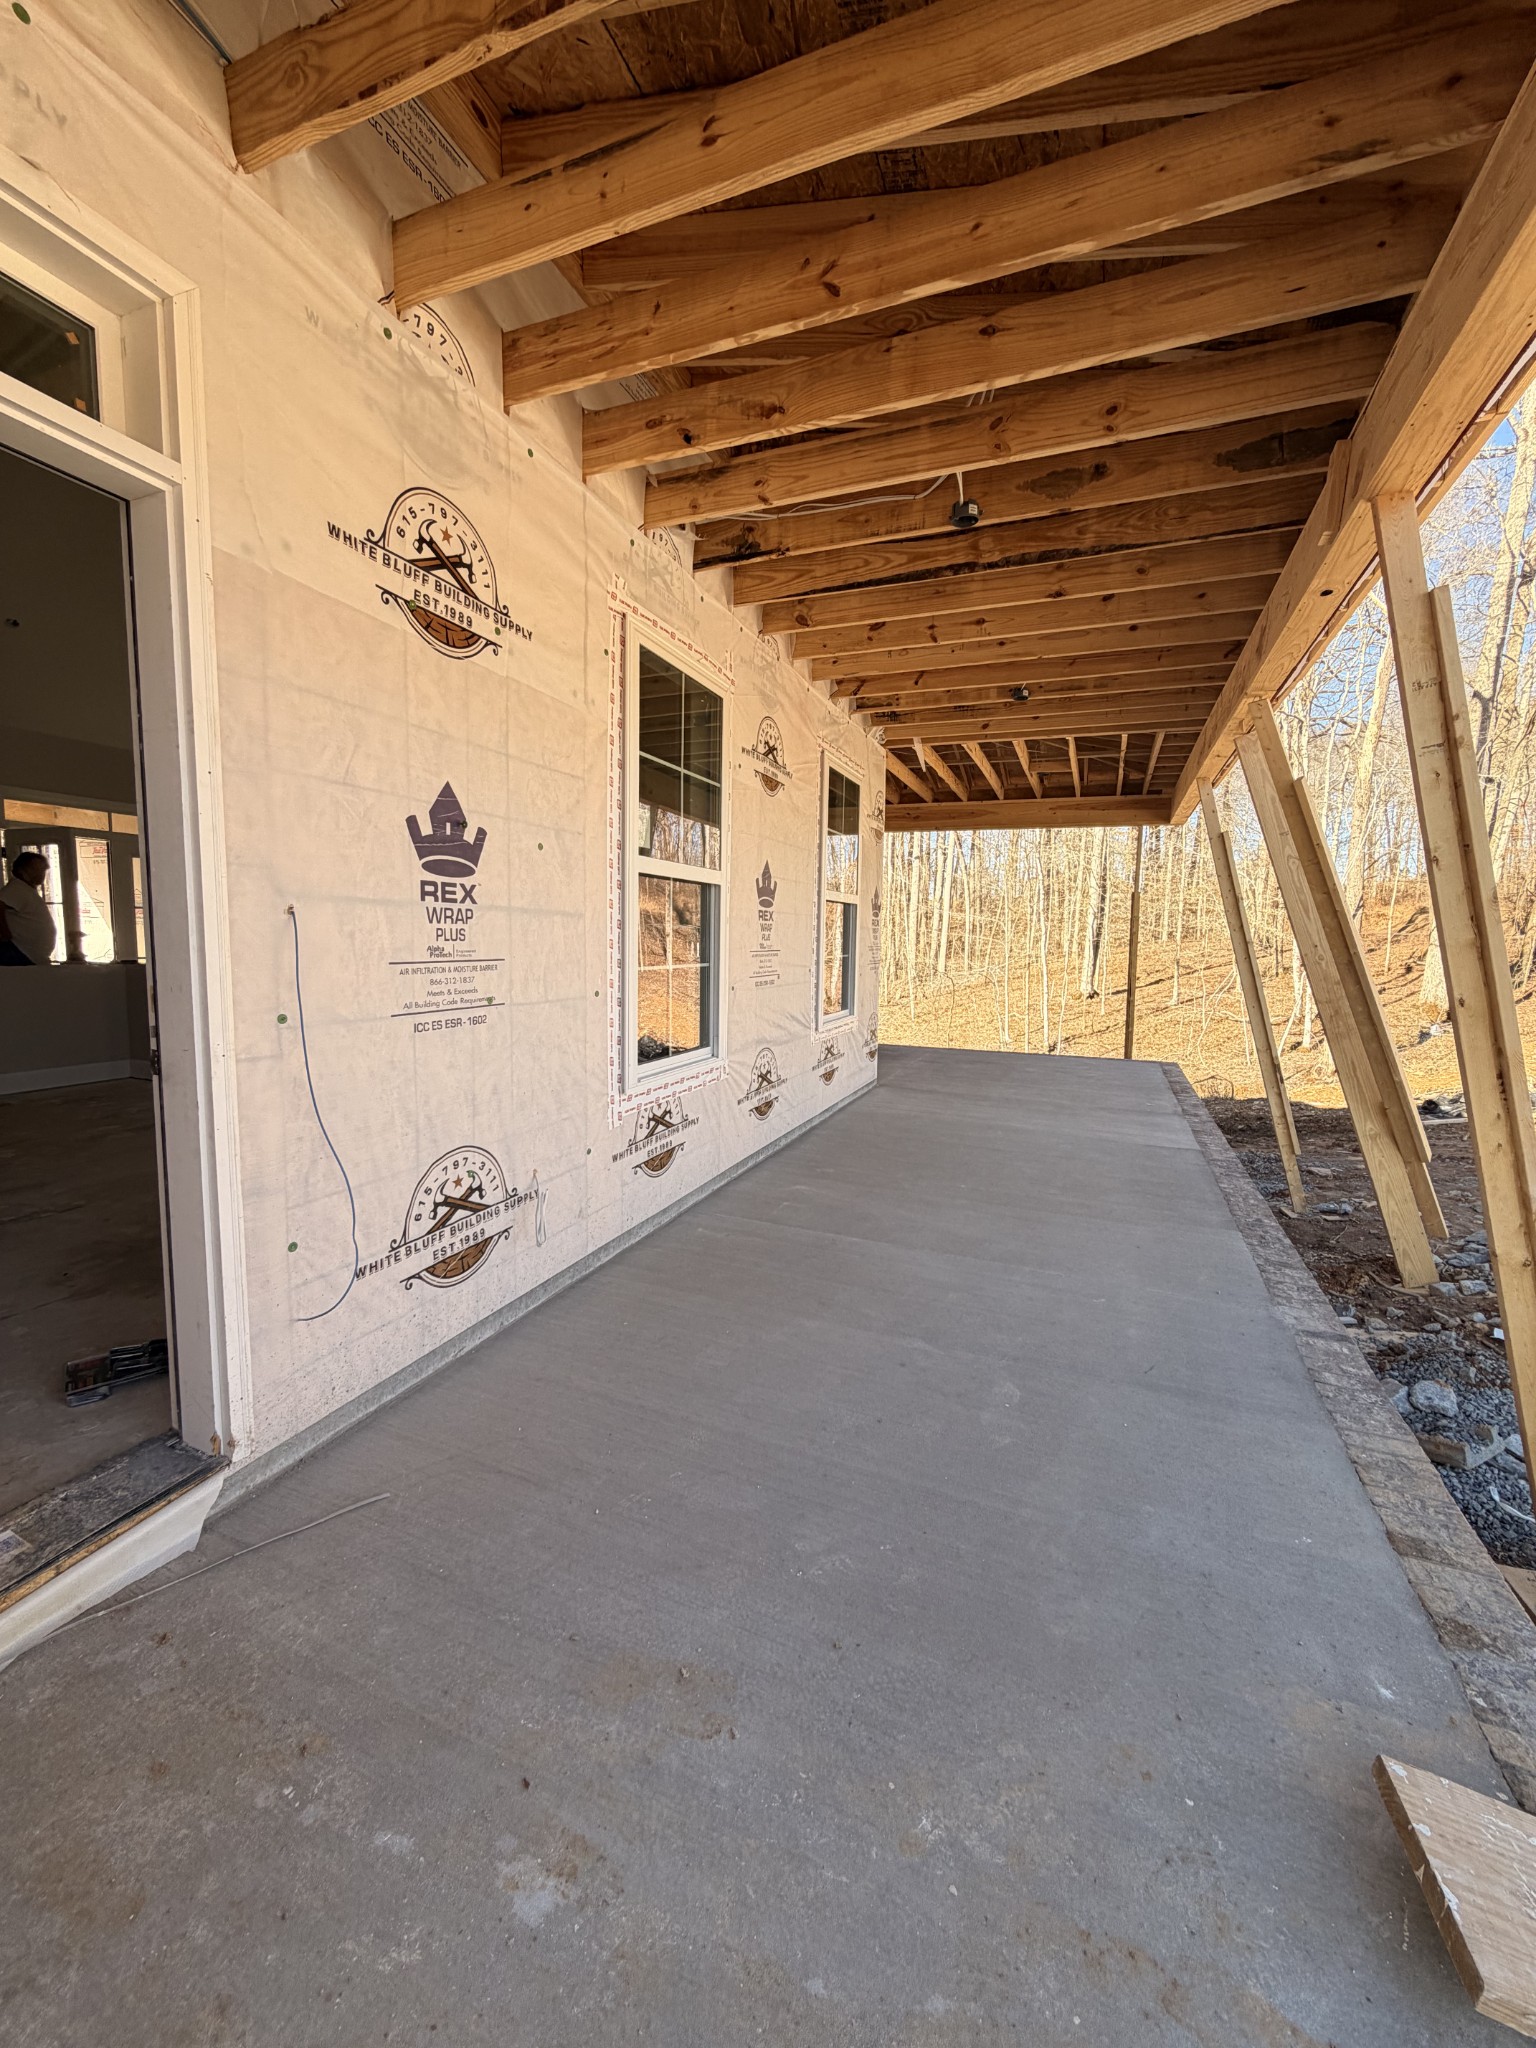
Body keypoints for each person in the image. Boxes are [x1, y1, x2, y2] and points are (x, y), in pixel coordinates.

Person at [0, 851, 57, 965]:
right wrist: (4, 933)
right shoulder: (17, 888)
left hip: (26, 954)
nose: (41, 873)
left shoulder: (26, 890)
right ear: (22, 870)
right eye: (36, 869)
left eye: (43, 869)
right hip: (20, 952)